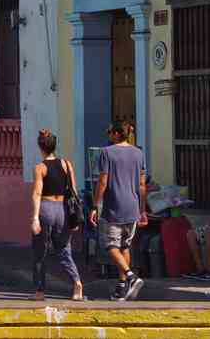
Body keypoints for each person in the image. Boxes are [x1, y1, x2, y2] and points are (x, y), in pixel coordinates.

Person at [89, 120, 147, 301]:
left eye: (109, 132)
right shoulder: (139, 153)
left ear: (115, 134)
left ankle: (131, 276)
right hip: (133, 207)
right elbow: (142, 185)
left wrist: (95, 205)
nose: (108, 135)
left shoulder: (107, 153)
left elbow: (103, 181)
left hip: (114, 206)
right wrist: (142, 210)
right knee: (125, 246)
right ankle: (121, 287)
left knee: (110, 245)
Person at [30, 129, 83, 302]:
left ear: (40, 147)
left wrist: (35, 218)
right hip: (63, 210)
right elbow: (74, 192)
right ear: (54, 146)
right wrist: (75, 217)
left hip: (46, 209)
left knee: (40, 251)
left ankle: (39, 291)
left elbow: (37, 193)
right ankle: (76, 282)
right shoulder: (67, 164)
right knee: (64, 249)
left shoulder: (40, 168)